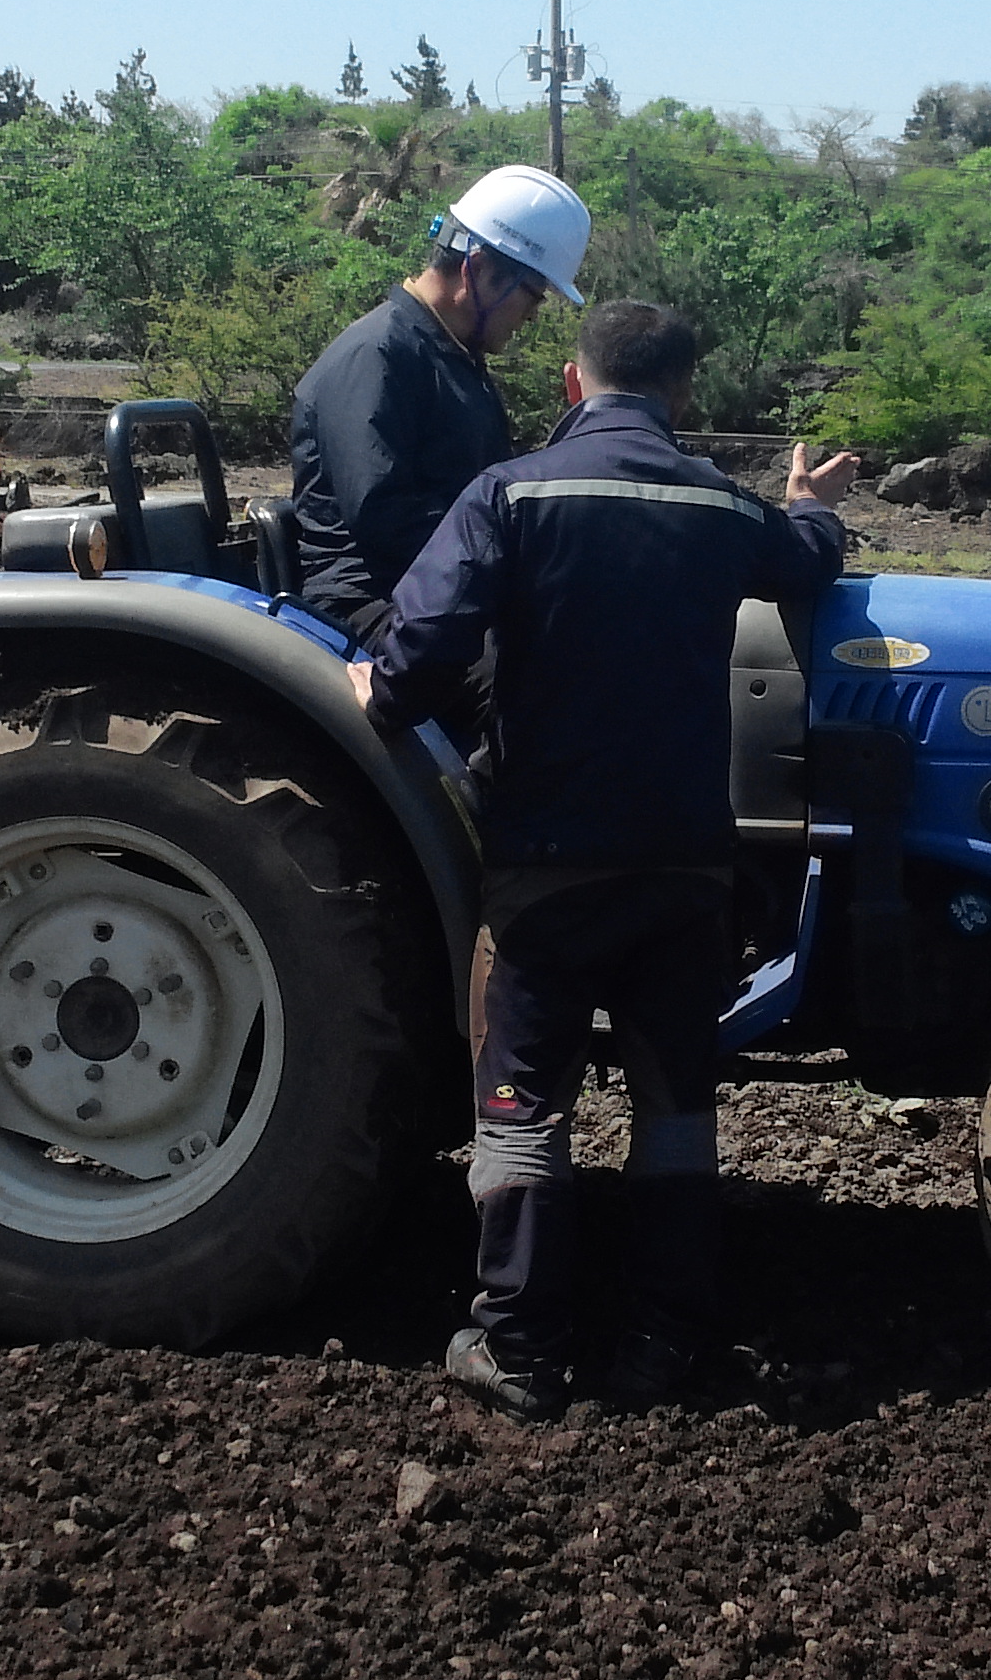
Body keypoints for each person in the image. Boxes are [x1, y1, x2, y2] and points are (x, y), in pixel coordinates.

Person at [349, 299, 860, 1417]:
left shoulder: (509, 493)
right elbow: (806, 564)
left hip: (547, 861)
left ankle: (519, 1350)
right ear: (680, 397)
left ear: (574, 386)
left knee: (525, 1103)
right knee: (675, 1105)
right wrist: (811, 509)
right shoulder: (717, 505)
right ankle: (662, 1345)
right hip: (684, 865)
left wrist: (377, 690)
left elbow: (425, 645)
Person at [284, 163, 593, 643]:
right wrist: (510, 568)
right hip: (368, 605)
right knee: (537, 683)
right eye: (533, 297)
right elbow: (385, 516)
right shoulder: (377, 355)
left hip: (434, 592)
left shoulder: (452, 357)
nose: (531, 317)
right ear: (483, 271)